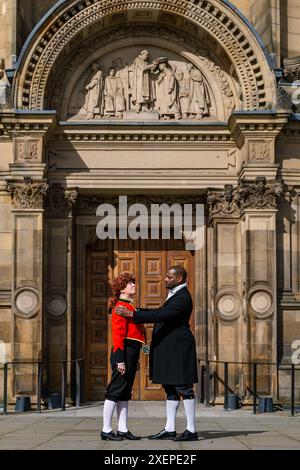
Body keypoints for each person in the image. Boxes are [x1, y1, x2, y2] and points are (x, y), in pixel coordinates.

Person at [116, 265, 198, 442]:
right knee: (171, 388)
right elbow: (161, 311)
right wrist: (136, 311)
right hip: (170, 347)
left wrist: (133, 315)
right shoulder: (175, 294)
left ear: (179, 279)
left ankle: (191, 430)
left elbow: (162, 314)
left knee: (184, 387)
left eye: (169, 277)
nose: (165, 279)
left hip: (179, 347)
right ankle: (170, 428)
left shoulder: (183, 297)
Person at [101, 272, 146, 441]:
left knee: (125, 392)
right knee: (115, 391)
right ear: (122, 288)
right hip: (123, 352)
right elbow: (118, 335)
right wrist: (120, 359)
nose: (134, 285)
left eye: (133, 283)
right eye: (130, 284)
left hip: (131, 353)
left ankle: (122, 429)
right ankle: (106, 429)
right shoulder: (121, 306)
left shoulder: (130, 306)